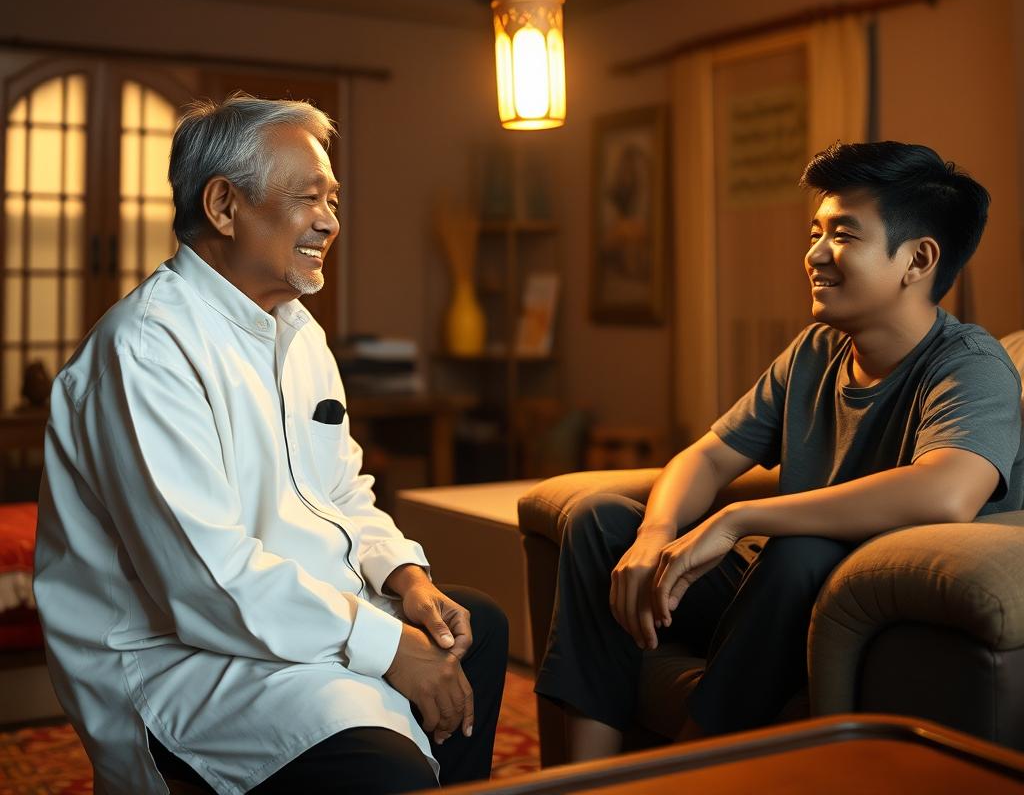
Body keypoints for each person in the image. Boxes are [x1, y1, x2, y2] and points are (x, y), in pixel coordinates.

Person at [34, 95, 508, 795]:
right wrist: (386, 648)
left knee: (477, 631)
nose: (330, 221)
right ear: (225, 206)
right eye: (307, 198)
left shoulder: (298, 329)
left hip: (285, 610)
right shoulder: (145, 349)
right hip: (179, 654)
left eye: (334, 200)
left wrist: (406, 579)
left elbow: (340, 493)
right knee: (387, 765)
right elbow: (204, 579)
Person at [535, 140, 1024, 761]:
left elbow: (949, 490)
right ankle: (587, 775)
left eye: (843, 235)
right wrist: (655, 532)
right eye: (815, 232)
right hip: (767, 601)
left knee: (800, 551)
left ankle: (682, 771)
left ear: (917, 259)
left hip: (847, 617)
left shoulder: (969, 365)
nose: (814, 254)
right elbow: (709, 455)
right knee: (599, 521)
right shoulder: (816, 349)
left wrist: (739, 516)